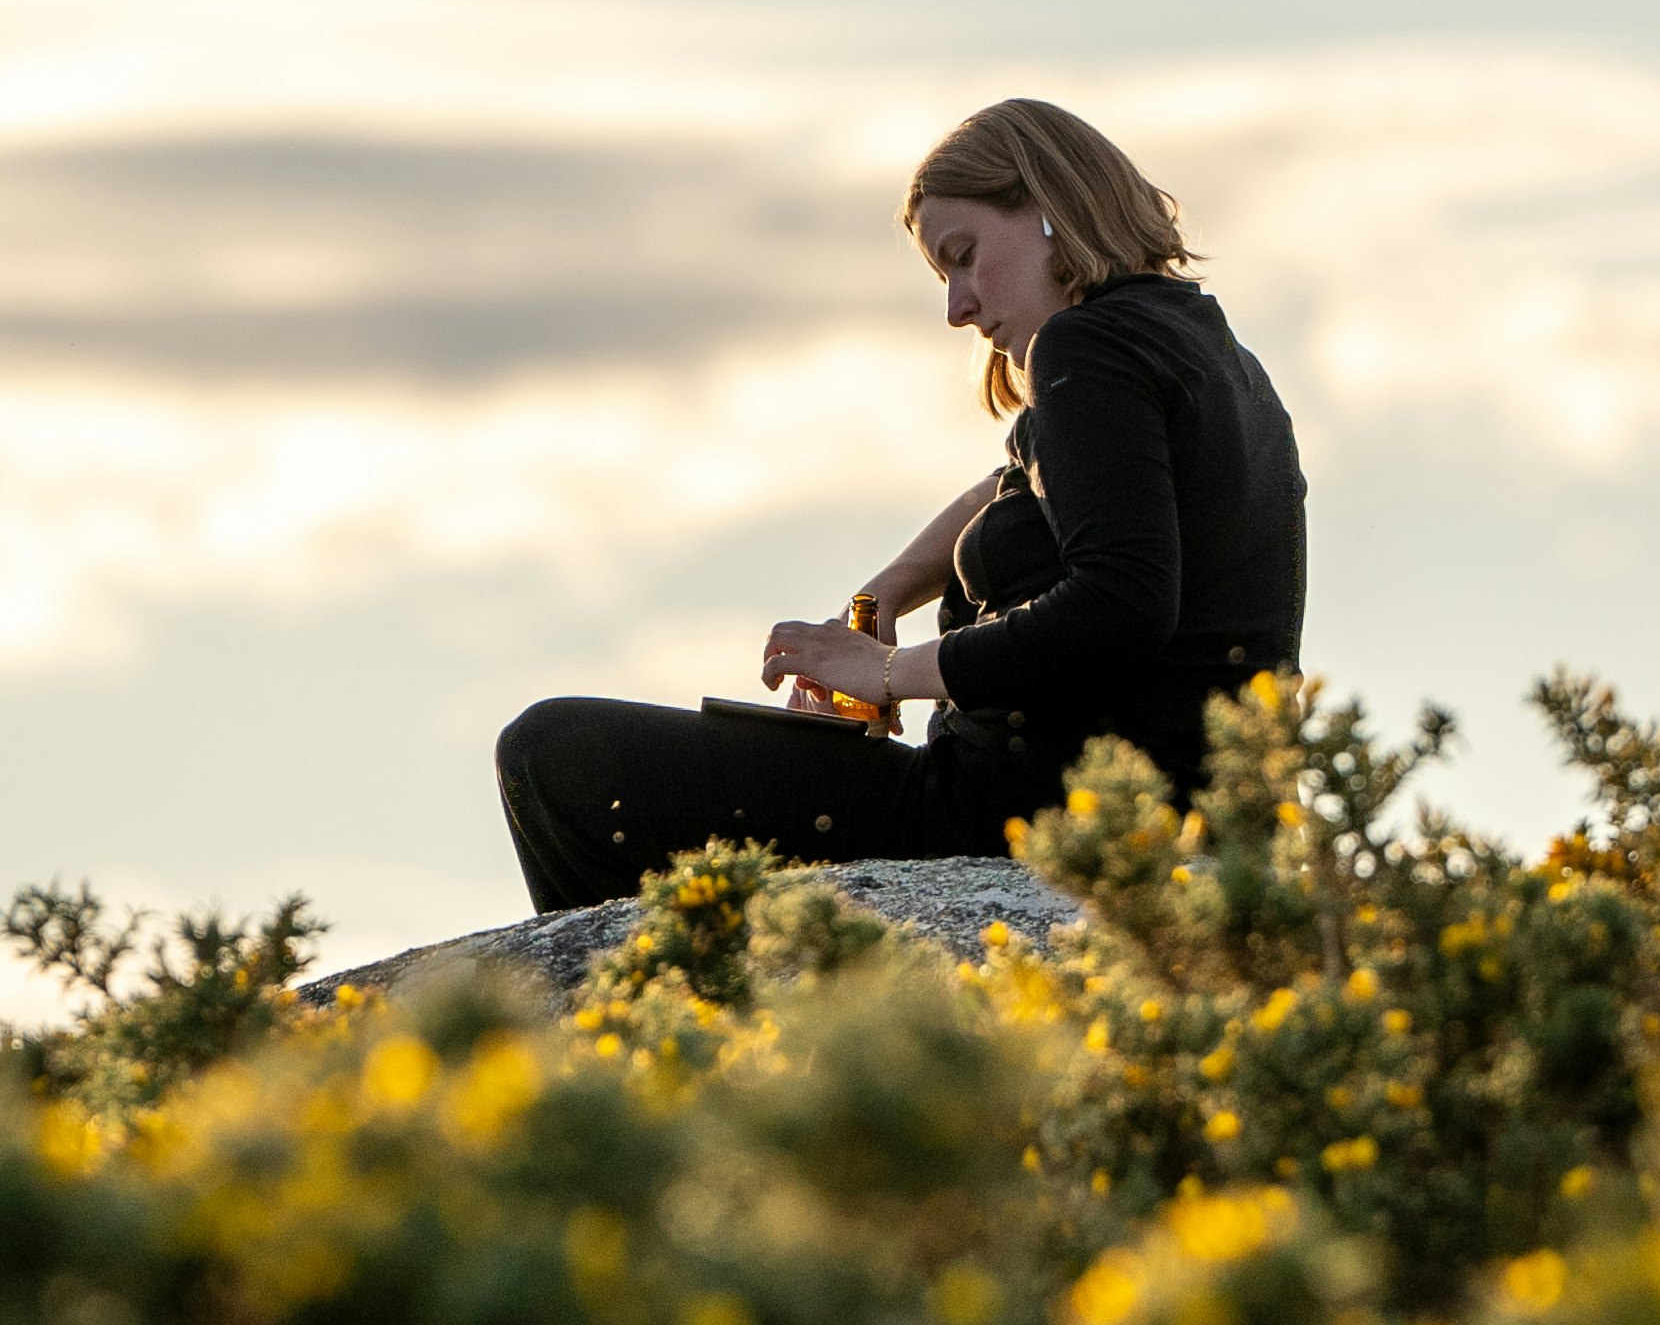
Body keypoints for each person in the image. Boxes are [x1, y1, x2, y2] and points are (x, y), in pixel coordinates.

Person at [491, 96, 1308, 916]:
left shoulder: (1086, 348)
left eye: (963, 256)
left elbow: (1121, 605)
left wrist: (886, 672)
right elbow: (1018, 484)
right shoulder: (1215, 358)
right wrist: (878, 598)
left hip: (1009, 819)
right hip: (1193, 815)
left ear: (1050, 207)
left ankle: (632, 1016)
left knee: (553, 755)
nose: (957, 305)